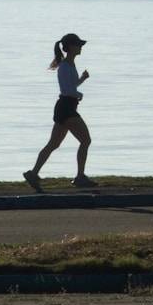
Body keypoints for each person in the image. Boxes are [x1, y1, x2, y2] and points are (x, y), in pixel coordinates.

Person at [23, 32, 95, 191]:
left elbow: (72, 85)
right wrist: (79, 94)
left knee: (53, 144)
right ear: (70, 47)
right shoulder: (64, 66)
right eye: (78, 45)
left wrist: (82, 79)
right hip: (67, 108)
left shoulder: (70, 65)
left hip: (66, 107)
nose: (81, 47)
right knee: (86, 140)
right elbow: (67, 89)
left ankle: (33, 173)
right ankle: (80, 177)